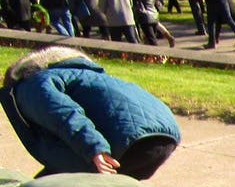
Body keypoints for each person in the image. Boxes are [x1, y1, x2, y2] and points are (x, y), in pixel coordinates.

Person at [1, 45, 182, 179]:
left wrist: (94, 148)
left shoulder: (31, 84)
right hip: (165, 135)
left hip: (126, 140)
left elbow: (63, 113)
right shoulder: (84, 75)